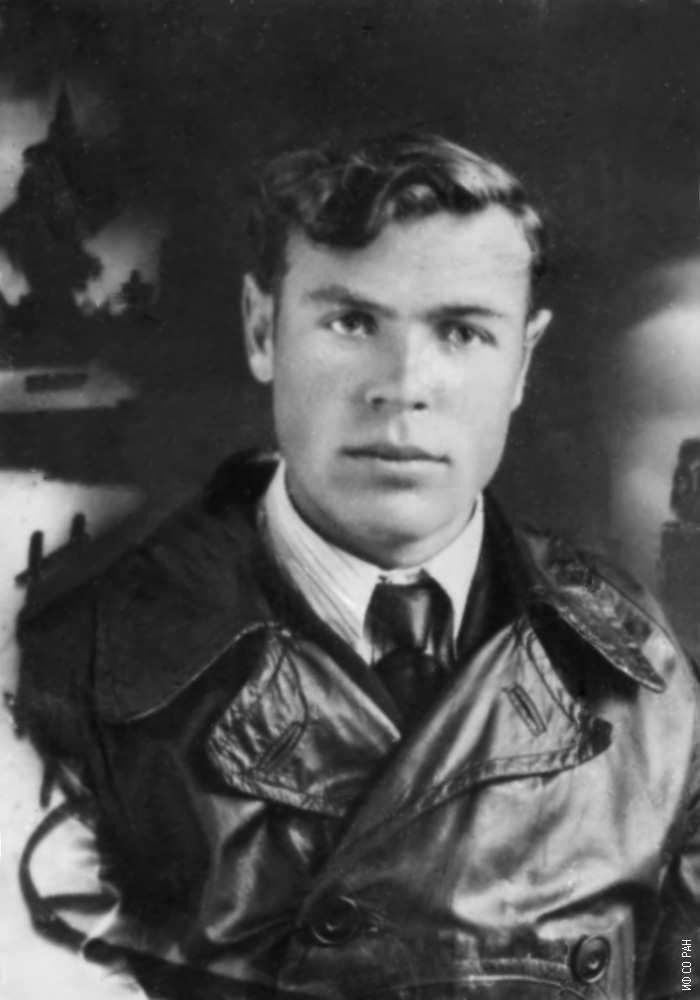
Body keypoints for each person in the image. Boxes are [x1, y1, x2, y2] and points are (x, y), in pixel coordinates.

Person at [15, 133, 700, 1000]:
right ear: (262, 329)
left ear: (523, 361)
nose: (402, 385)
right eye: (352, 322)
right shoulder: (73, 673)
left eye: (462, 332)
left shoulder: (651, 685)